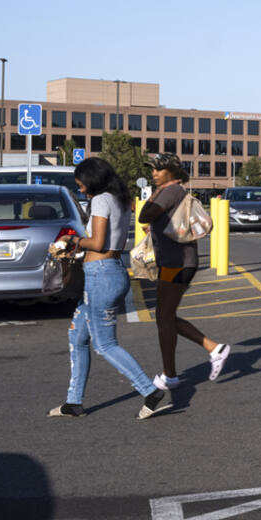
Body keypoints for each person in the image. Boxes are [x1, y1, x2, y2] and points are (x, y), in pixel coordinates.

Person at [51, 157, 170, 419]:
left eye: (81, 183)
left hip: (100, 276)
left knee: (104, 344)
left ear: (93, 178)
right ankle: (74, 401)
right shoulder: (120, 199)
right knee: (78, 337)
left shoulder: (101, 200)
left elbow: (98, 242)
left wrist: (73, 241)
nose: (80, 188)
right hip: (111, 272)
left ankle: (150, 391)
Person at [137, 154, 229, 391]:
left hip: (177, 263)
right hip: (176, 262)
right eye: (152, 169)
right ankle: (210, 350)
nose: (154, 173)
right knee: (164, 315)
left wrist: (155, 196)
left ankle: (172, 374)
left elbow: (143, 215)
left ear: (172, 172)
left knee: (164, 316)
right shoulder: (173, 192)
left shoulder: (170, 191)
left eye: (159, 170)